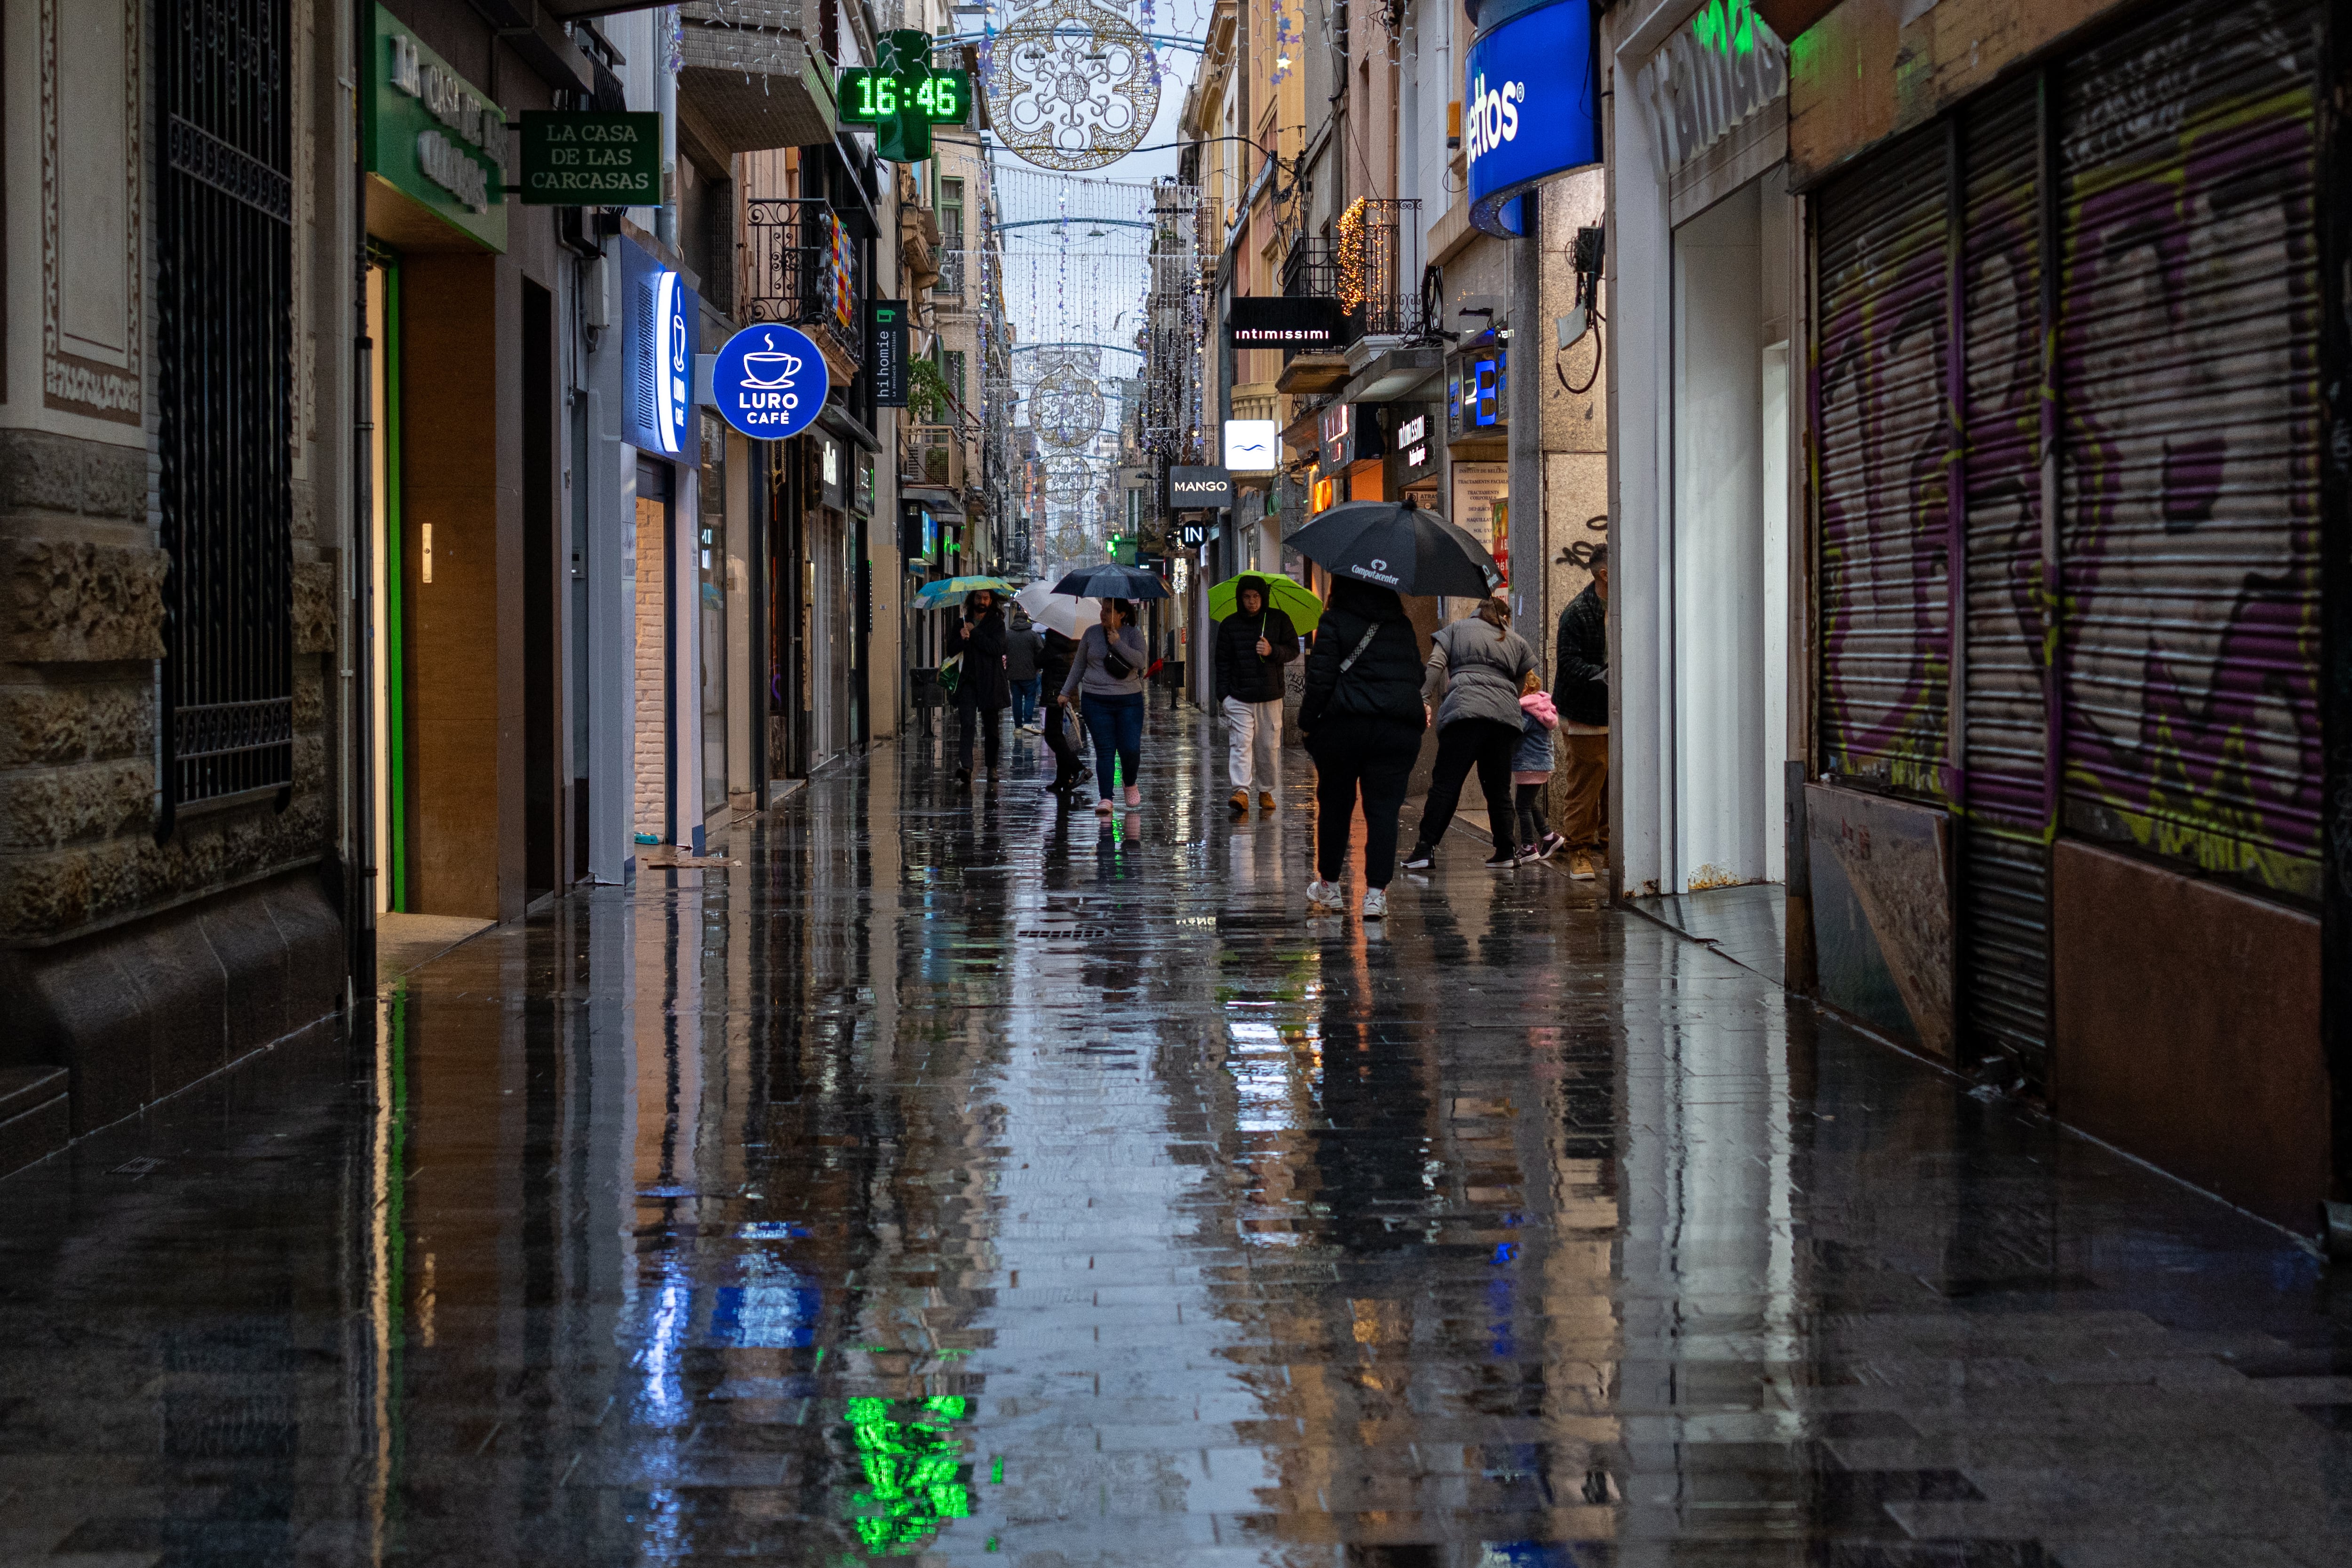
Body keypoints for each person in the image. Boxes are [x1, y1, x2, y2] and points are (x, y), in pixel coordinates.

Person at [1298, 578, 1426, 920]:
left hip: (1345, 727)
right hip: (1396, 730)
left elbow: (1321, 679)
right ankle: (1374, 895)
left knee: (1337, 805)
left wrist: (1307, 722)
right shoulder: (1401, 624)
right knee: (1384, 810)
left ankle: (1329, 886)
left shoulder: (1334, 620)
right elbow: (1419, 674)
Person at [1401, 597, 1538, 872]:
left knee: (1447, 784)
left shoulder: (1455, 629)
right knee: (1498, 789)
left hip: (1464, 715)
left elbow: (1436, 666)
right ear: (1504, 617)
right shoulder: (1516, 641)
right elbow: (1519, 683)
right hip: (1503, 721)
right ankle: (1505, 851)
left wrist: (1423, 698)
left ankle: (1425, 849)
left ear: (1477, 613)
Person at [1213, 575, 1301, 815]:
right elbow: (1222, 662)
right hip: (1239, 697)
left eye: (1256, 596)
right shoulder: (1229, 626)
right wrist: (1224, 696)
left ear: (1264, 597)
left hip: (1270, 695)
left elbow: (1294, 649)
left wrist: (1273, 651)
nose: (1252, 602)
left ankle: (1265, 790)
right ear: (1240, 599)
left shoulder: (1279, 620)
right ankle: (1241, 791)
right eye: (1247, 597)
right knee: (1240, 744)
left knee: (1268, 746)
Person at [1058, 597, 1149, 816]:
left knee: (1130, 749)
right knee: (1105, 751)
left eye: (1110, 611)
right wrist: (1065, 692)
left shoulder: (1133, 634)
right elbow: (1079, 665)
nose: (1104, 614)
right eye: (1103, 610)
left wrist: (1118, 643)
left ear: (1122, 614)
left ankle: (1130, 782)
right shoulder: (1091, 634)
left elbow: (1141, 661)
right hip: (1096, 700)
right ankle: (1106, 798)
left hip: (1129, 701)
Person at [1554, 545, 1609, 880]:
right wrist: (1605, 675)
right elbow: (1569, 663)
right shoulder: (1578, 612)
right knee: (1586, 786)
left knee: (1615, 789)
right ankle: (1579, 851)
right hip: (1584, 715)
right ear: (1604, 574)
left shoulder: (1629, 605)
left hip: (1616, 714)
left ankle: (1613, 851)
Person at [943, 588, 1009, 789]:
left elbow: (996, 648)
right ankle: (967, 767)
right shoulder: (960, 622)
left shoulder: (996, 624)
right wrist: (962, 638)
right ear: (973, 599)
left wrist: (975, 632)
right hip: (968, 682)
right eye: (979, 597)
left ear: (991, 601)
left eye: (986, 598)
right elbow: (951, 651)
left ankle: (992, 767)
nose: (982, 601)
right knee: (968, 724)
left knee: (992, 729)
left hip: (990, 681)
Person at [1513, 671, 1564, 862]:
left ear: (1524, 688)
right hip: (1540, 764)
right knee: (1529, 803)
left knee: (1522, 806)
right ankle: (1550, 837)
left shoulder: (1526, 711)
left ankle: (1528, 846)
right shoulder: (1541, 707)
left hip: (1530, 764)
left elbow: (1516, 729)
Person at [1037, 624, 1088, 796]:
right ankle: (1063, 778)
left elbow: (1039, 661)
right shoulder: (1075, 641)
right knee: (1061, 736)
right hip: (1069, 692)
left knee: (1053, 735)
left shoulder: (1053, 643)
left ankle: (1079, 768)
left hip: (1055, 692)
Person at [1005, 610, 1044, 732]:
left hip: (1013, 673)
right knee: (1030, 697)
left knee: (1016, 699)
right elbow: (1041, 651)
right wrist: (1037, 667)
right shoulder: (1033, 635)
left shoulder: (1008, 634)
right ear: (1026, 620)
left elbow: (1001, 650)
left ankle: (1018, 727)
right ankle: (1028, 722)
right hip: (1030, 673)